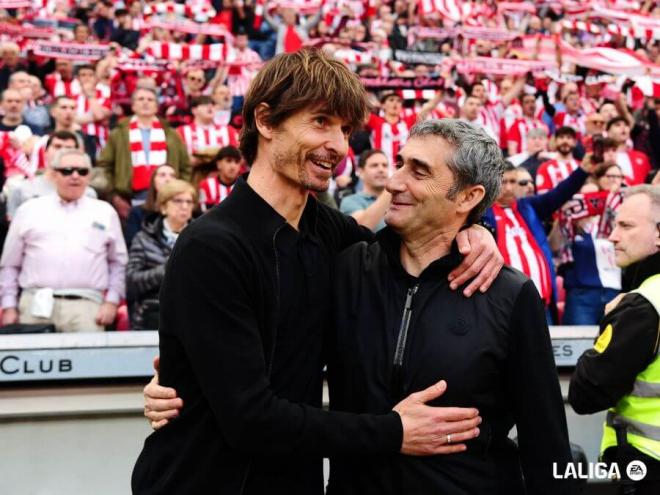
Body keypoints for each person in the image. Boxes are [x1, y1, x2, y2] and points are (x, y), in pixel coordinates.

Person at [133, 49, 502, 494]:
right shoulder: (210, 248)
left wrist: (475, 229)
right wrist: (394, 432)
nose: (338, 146)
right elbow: (250, 419)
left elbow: (417, 244)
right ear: (266, 122)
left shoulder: (327, 232)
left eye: (345, 129)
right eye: (321, 121)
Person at [327, 119, 575, 494]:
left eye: (419, 171)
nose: (394, 182)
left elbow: (547, 442)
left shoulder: (509, 294)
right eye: (400, 163)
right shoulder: (345, 270)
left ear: (467, 197)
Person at [569, 185, 660, 494]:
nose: (613, 236)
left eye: (626, 225)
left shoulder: (643, 305)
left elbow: (585, 394)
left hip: (647, 467)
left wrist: (610, 322)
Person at [0, 149, 127, 332]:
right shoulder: (29, 210)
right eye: (67, 170)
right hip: (35, 303)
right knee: (35, 361)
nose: (75, 176)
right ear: (53, 174)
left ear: (89, 176)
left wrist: (112, 301)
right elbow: (10, 264)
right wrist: (9, 306)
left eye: (82, 171)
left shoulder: (105, 212)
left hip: (87, 306)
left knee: (88, 361)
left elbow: (119, 263)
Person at [483, 159, 595, 321]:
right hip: (503, 305)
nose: (508, 188)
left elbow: (559, 194)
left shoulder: (529, 207)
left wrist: (582, 171)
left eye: (513, 181)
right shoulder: (482, 214)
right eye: (503, 182)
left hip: (541, 304)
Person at [97, 86, 191, 202]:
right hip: (128, 197)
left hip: (168, 196)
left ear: (156, 107)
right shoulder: (119, 133)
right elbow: (105, 165)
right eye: (141, 99)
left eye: (150, 99)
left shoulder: (171, 134)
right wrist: (115, 196)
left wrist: (178, 191)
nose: (145, 102)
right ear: (133, 106)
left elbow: (185, 166)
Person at [558, 162, 624, 325]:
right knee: (579, 345)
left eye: (618, 177)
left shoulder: (617, 217)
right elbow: (555, 245)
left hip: (614, 291)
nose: (590, 203)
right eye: (585, 198)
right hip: (582, 293)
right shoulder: (570, 223)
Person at [127, 180, 196, 330]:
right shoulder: (143, 239)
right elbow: (132, 283)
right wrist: (166, 270)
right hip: (152, 316)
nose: (184, 206)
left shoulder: (202, 239)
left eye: (189, 202)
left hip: (192, 317)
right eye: (178, 201)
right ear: (163, 206)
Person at [6, 131, 97, 221]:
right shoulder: (22, 190)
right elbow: (15, 228)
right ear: (45, 152)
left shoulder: (87, 194)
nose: (62, 151)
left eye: (68, 148)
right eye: (57, 146)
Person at [125, 164, 178, 247]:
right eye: (162, 175)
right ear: (153, 181)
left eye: (172, 175)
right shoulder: (137, 212)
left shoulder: (187, 212)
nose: (168, 179)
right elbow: (131, 244)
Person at [339, 148, 390, 231]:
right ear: (360, 172)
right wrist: (390, 190)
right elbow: (362, 227)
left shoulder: (398, 200)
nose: (381, 170)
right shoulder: (349, 201)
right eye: (374, 165)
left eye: (385, 165)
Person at [607, 116, 652, 186]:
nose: (623, 127)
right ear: (608, 132)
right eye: (617, 125)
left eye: (626, 125)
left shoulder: (642, 156)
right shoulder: (603, 156)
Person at [536, 126, 580, 194]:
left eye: (569, 137)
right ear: (555, 142)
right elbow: (543, 196)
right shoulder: (545, 168)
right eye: (561, 137)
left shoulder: (581, 167)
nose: (565, 141)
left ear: (575, 142)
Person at [198, 145, 242, 211]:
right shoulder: (206, 185)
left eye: (236, 162)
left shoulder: (244, 186)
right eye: (228, 161)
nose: (233, 166)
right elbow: (204, 211)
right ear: (218, 164)